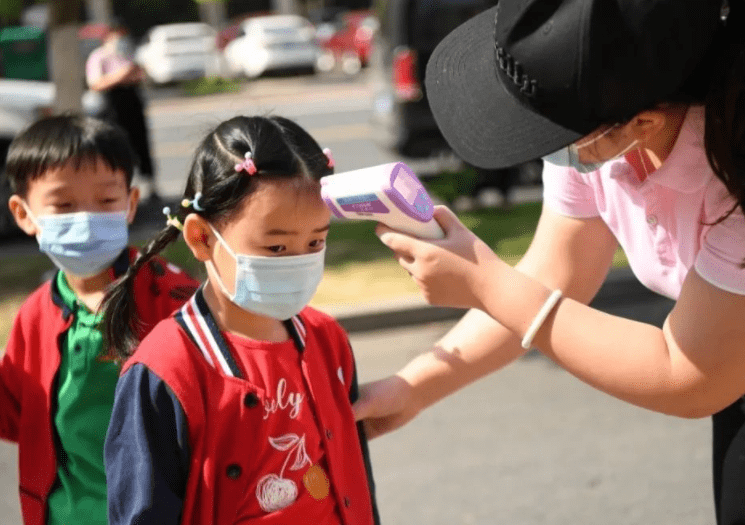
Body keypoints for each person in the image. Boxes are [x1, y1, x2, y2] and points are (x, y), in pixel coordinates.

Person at [352, 0, 745, 523]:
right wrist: (414, 386)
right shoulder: (600, 127)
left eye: (555, 137)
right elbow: (558, 271)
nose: (551, 150)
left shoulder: (734, 174)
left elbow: (690, 376)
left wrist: (486, 283)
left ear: (643, 121)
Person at [101, 115, 379, 525]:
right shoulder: (166, 371)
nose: (300, 261)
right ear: (202, 238)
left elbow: (356, 483)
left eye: (316, 241)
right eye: (277, 245)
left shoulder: (326, 339)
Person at [2, 115, 198, 525]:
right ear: (23, 214)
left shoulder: (173, 298)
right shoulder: (34, 317)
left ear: (130, 203)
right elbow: (16, 416)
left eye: (106, 201)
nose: (86, 218)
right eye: (63, 205)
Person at [85, 22, 160, 204]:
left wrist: (137, 73)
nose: (120, 41)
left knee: (140, 143)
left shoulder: (128, 56)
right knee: (116, 145)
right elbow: (95, 84)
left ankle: (149, 184)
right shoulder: (99, 57)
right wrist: (121, 75)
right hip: (112, 107)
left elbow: (143, 77)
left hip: (132, 103)